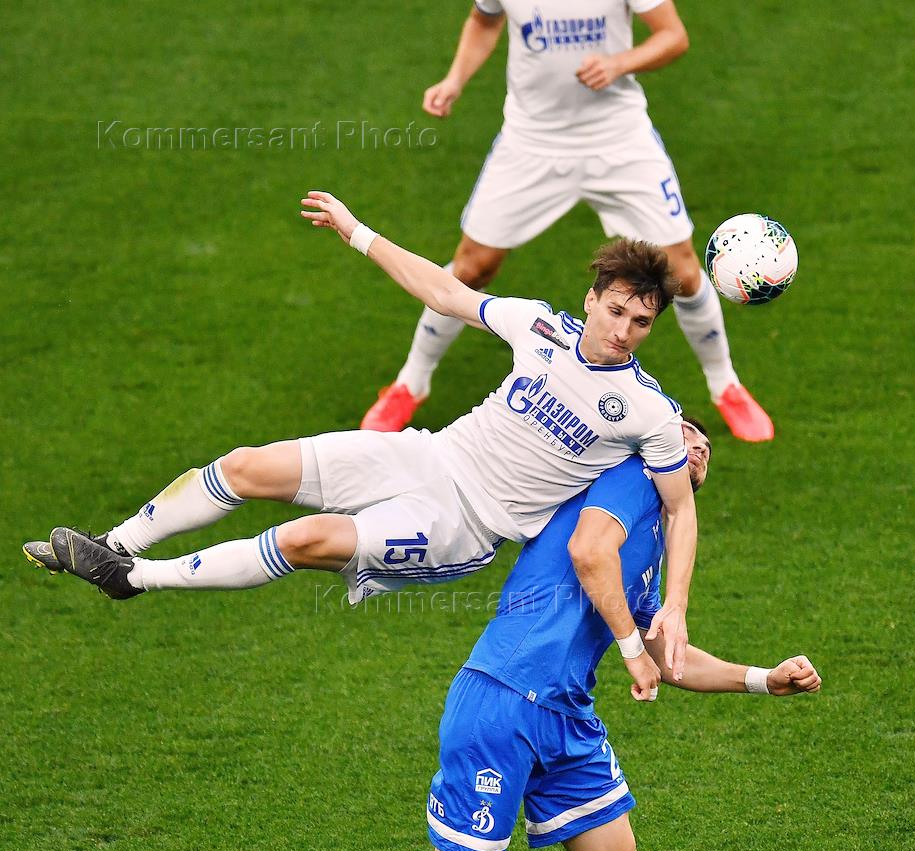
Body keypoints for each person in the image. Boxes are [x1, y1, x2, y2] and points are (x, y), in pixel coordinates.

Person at [303, 421, 821, 851]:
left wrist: (762, 680)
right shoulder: (632, 481)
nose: (697, 444)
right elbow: (586, 552)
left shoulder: (651, 541)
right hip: (503, 700)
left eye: (705, 444)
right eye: (685, 431)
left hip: (566, 715)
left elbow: (667, 655)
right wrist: (630, 647)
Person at [24, 192, 698, 679]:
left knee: (302, 539)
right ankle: (116, 545)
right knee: (246, 466)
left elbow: (680, 508)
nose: (622, 331)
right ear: (591, 299)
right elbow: (443, 292)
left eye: (640, 323)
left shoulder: (647, 412)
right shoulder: (538, 326)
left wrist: (674, 605)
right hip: (426, 454)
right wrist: (357, 232)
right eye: (615, 311)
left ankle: (135, 578)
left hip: (461, 524)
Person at [364, 0, 774, 443]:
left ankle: (725, 384)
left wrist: (619, 63)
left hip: (618, 139)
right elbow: (483, 22)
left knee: (682, 273)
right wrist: (454, 79)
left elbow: (673, 36)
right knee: (473, 266)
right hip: (532, 141)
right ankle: (412, 382)